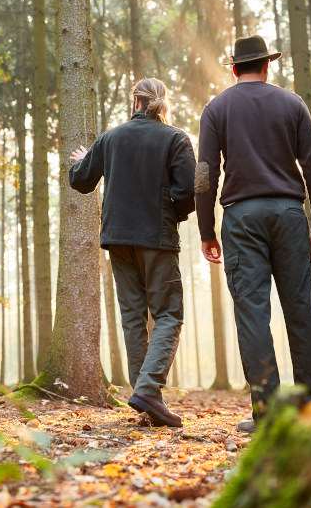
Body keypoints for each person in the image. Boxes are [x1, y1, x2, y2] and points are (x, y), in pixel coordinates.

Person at [195, 35, 311, 431]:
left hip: (241, 218)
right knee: (301, 311)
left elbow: (205, 175)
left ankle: (268, 416)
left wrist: (207, 230)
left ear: (234, 68)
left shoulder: (216, 108)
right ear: (267, 66)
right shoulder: (292, 104)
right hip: (289, 214)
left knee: (253, 315)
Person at [69, 78, 196, 427]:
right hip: (156, 237)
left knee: (132, 317)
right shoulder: (176, 138)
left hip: (117, 238)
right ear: (160, 102)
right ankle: (149, 390)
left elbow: (81, 181)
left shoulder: (110, 138)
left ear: (134, 101)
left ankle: (145, 396)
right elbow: (187, 192)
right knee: (169, 314)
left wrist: (84, 159)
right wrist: (174, 214)